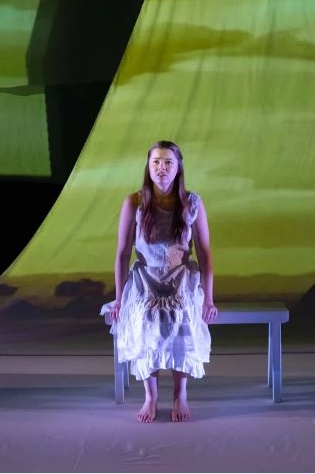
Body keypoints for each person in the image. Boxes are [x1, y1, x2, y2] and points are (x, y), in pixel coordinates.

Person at [102, 140, 218, 423]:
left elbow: (204, 253)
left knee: (183, 314)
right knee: (144, 317)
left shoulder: (192, 203)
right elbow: (122, 253)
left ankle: (181, 393)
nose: (161, 168)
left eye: (168, 162)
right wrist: (119, 299)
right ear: (148, 167)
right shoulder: (134, 202)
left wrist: (210, 298)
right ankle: (150, 396)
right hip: (146, 276)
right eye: (156, 162)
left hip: (180, 275)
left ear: (178, 168)